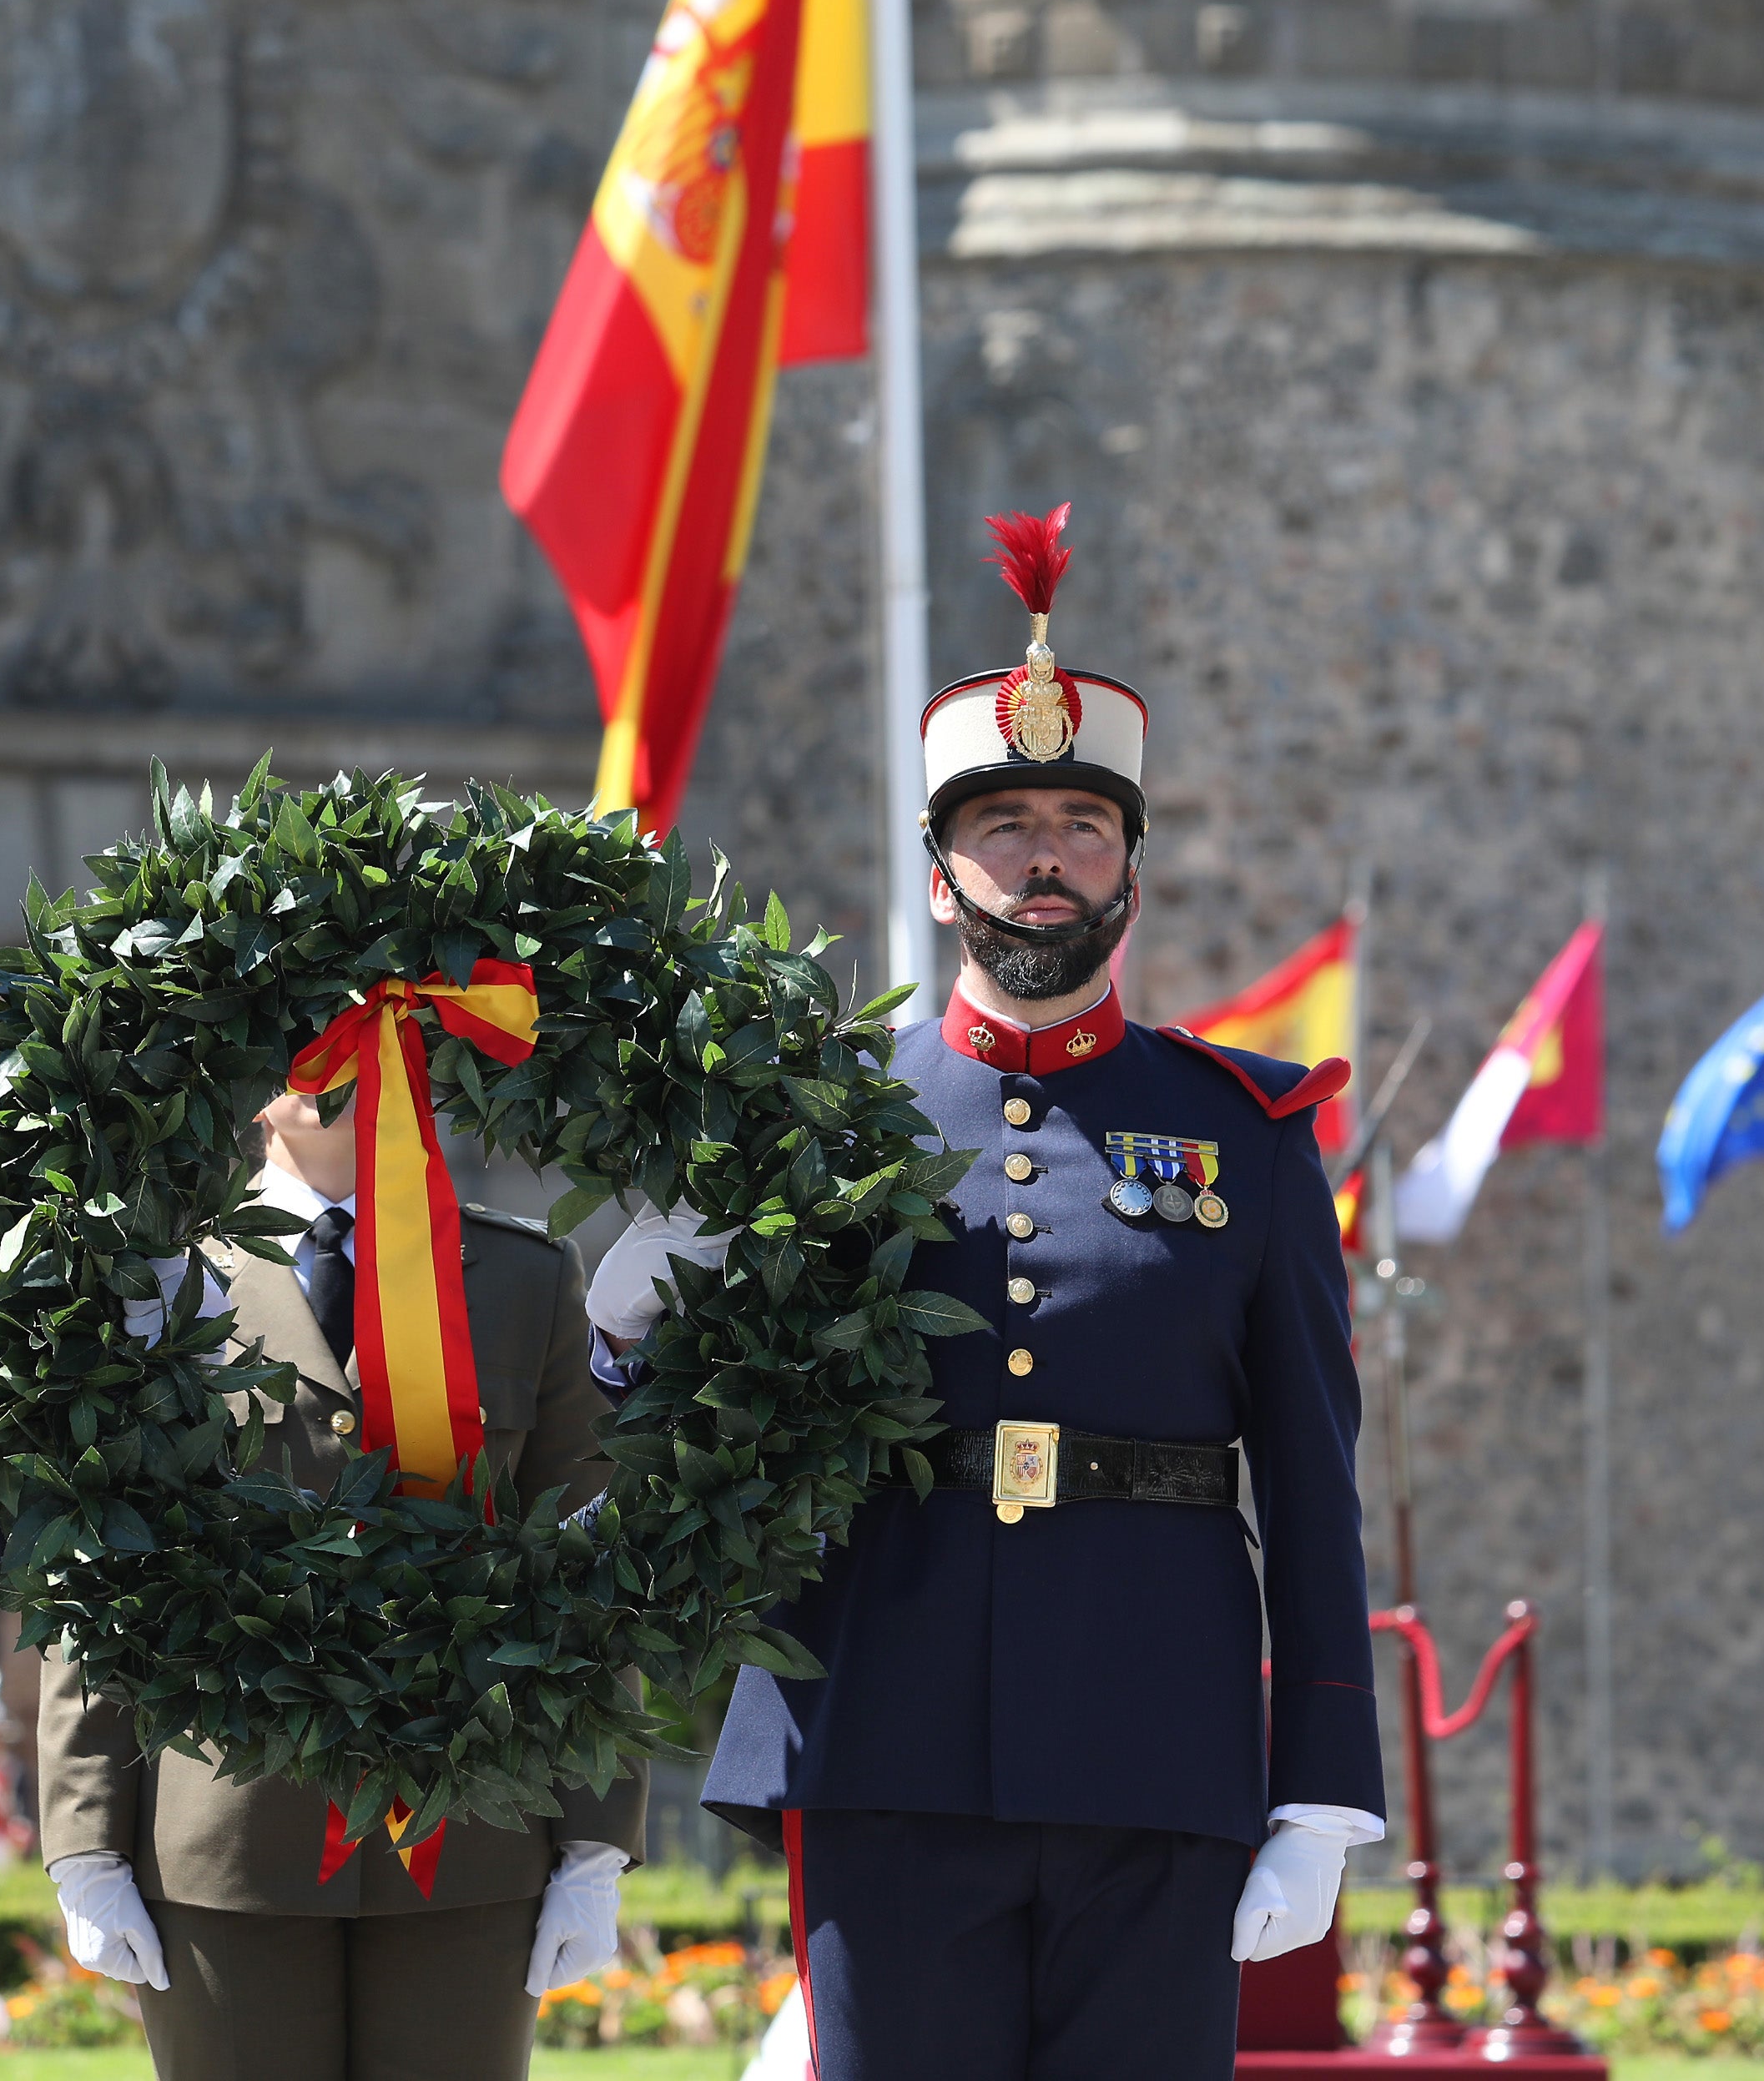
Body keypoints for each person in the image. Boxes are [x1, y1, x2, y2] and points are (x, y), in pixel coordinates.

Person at [587, 506, 1388, 2081]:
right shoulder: (813, 1112)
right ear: (942, 872)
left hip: (1155, 1743)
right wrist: (627, 1334)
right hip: (881, 1730)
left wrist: (1320, 1788)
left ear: (1130, 869)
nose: (1044, 856)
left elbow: (1309, 1470)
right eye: (1003, 823)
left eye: (1084, 824)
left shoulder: (1246, 1132)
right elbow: (701, 1442)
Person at [32, 1088, 644, 2081]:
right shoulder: (164, 1273)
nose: (329, 1066)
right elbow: (101, 1549)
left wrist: (595, 1838)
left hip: (470, 1830)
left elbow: (582, 1557)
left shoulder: (521, 1273)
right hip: (226, 1832)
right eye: (300, 1031)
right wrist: (85, 1835)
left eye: (359, 1028)